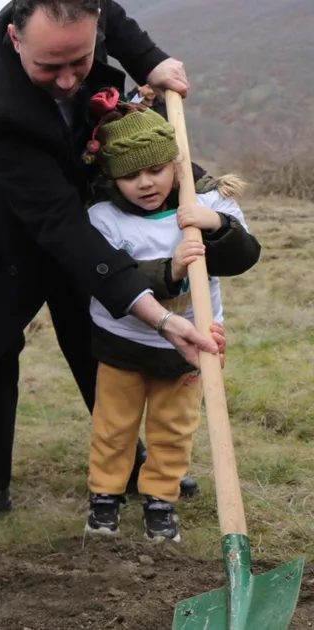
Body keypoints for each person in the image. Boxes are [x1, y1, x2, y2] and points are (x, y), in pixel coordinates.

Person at [0, 0, 219, 523]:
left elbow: (116, 22)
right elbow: (58, 223)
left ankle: (126, 462)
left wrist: (150, 61)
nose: (66, 80)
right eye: (48, 67)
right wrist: (162, 317)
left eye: (78, 61)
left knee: (90, 328)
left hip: (61, 187)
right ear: (15, 38)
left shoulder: (82, 13)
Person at [81, 91, 257, 541]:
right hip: (123, 341)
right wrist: (171, 269)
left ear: (175, 165)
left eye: (156, 170)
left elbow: (245, 255)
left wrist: (215, 224)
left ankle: (160, 498)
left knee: (174, 428)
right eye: (130, 176)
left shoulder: (206, 204)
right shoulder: (103, 218)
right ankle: (105, 495)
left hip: (192, 344)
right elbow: (110, 276)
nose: (145, 183)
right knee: (114, 425)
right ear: (112, 178)